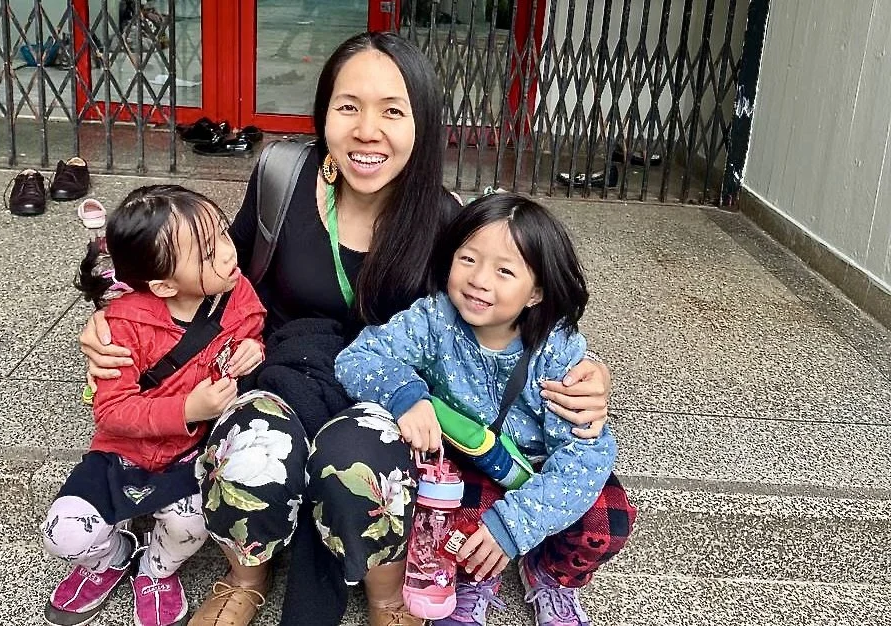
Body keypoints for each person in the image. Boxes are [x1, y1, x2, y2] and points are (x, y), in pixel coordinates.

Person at [79, 32, 622, 626]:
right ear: (324, 114)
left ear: (424, 125)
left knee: (359, 459)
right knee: (253, 450)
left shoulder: (446, 221)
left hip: (388, 391)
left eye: (393, 110)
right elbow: (207, 270)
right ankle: (246, 577)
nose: (368, 130)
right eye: (348, 107)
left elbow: (508, 313)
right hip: (277, 368)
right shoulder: (281, 178)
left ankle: (386, 595)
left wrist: (586, 373)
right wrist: (121, 317)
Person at [335, 192, 629, 626]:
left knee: (610, 520)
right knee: (436, 513)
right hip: (468, 465)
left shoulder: (557, 351)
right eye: (468, 259)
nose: (479, 280)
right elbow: (357, 358)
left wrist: (515, 525)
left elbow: (585, 455)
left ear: (536, 293)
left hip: (537, 469)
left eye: (505, 271)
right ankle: (473, 580)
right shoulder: (435, 319)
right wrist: (406, 396)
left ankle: (548, 575)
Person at [44, 185, 267, 626]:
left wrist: (252, 348)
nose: (228, 252)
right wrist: (187, 409)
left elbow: (255, 323)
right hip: (121, 453)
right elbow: (111, 412)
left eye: (223, 233)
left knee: (192, 525)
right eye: (207, 252)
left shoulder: (237, 292)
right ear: (164, 284)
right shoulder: (124, 326)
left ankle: (157, 569)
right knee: (62, 534)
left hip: (187, 456)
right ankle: (112, 557)